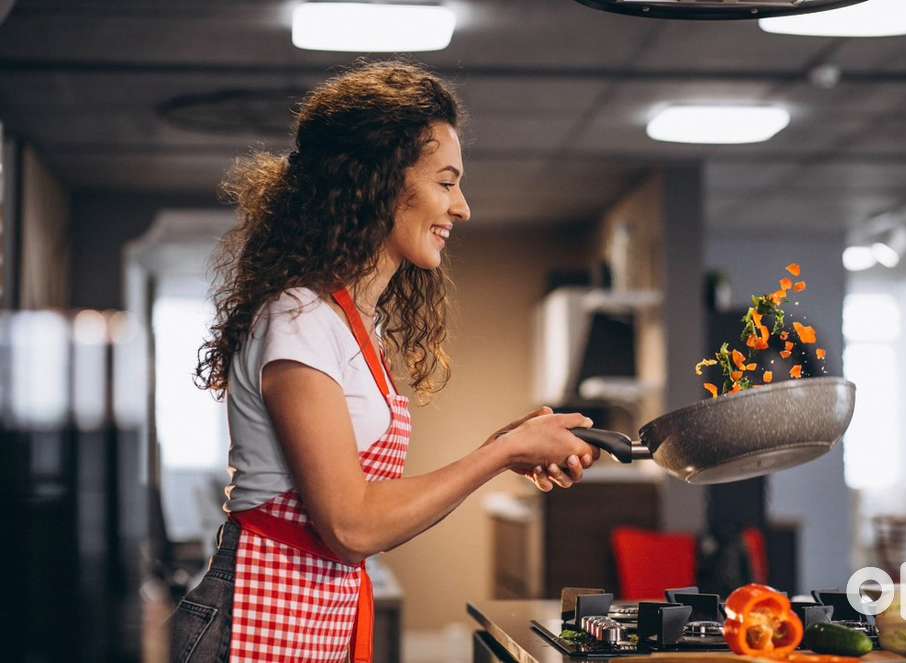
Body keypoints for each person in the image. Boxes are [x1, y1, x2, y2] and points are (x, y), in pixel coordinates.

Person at [166, 61, 600, 663]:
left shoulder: (349, 320)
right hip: (252, 626)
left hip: (312, 621)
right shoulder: (299, 319)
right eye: (446, 182)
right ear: (378, 183)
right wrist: (499, 454)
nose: (463, 208)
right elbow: (351, 528)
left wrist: (514, 446)